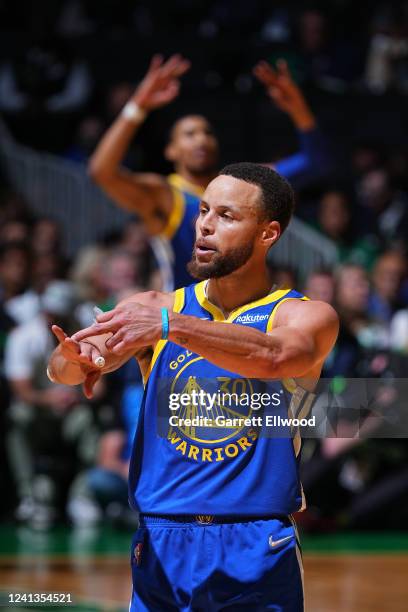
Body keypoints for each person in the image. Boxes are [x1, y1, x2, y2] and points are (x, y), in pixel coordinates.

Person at [48, 163, 338, 611]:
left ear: (268, 234)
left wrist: (169, 326)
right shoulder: (154, 307)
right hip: (161, 539)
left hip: (254, 539)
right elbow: (65, 368)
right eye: (203, 211)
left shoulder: (303, 315)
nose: (204, 225)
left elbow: (275, 357)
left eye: (226, 215)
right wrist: (73, 362)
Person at [88, 54, 332, 288]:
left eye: (208, 133)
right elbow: (102, 172)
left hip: (239, 316)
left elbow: (316, 162)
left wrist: (298, 108)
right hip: (185, 317)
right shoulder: (166, 194)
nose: (201, 140)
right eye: (190, 134)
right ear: (171, 151)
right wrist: (137, 105)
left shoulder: (243, 186)